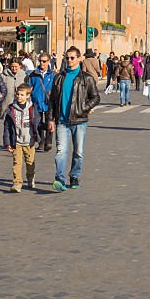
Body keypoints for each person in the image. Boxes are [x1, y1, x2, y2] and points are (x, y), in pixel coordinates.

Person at [49, 46, 100, 191]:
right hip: (62, 121)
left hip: (79, 121)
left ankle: (74, 175)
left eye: (72, 58)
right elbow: (52, 100)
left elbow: (96, 97)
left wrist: (83, 108)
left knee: (78, 152)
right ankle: (59, 178)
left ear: (79, 59)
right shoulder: (59, 77)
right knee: (61, 151)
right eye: (67, 58)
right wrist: (51, 119)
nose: (69, 60)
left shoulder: (87, 78)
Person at [3, 83, 39, 192]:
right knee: (16, 163)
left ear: (28, 96)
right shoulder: (11, 109)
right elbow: (7, 127)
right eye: (18, 94)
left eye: (22, 95)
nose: (19, 96)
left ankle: (30, 177)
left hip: (29, 141)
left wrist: (38, 136)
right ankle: (17, 183)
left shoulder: (32, 108)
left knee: (30, 162)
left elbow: (37, 123)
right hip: (16, 141)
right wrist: (7, 142)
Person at [27, 54, 56, 152]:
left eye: (44, 61)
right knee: (36, 122)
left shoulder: (53, 74)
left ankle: (48, 141)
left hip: (49, 102)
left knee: (49, 121)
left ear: (48, 62)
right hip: (36, 101)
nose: (42, 63)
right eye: (40, 61)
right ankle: (41, 141)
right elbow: (28, 87)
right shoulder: (33, 74)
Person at [0, 58, 27, 123]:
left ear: (20, 66)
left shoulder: (24, 76)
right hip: (7, 104)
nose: (14, 68)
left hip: (20, 105)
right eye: (12, 66)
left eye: (16, 66)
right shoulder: (3, 76)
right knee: (7, 126)